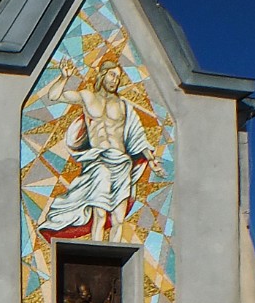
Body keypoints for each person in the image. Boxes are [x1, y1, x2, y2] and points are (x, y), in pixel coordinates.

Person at [39, 58, 164, 242]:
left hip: (122, 164)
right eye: (112, 75)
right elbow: (54, 96)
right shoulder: (87, 97)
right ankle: (95, 257)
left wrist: (152, 162)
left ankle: (115, 261)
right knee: (100, 215)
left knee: (118, 219)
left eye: (119, 77)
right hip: (98, 162)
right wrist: (63, 78)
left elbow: (138, 139)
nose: (116, 80)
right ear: (102, 75)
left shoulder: (124, 106)